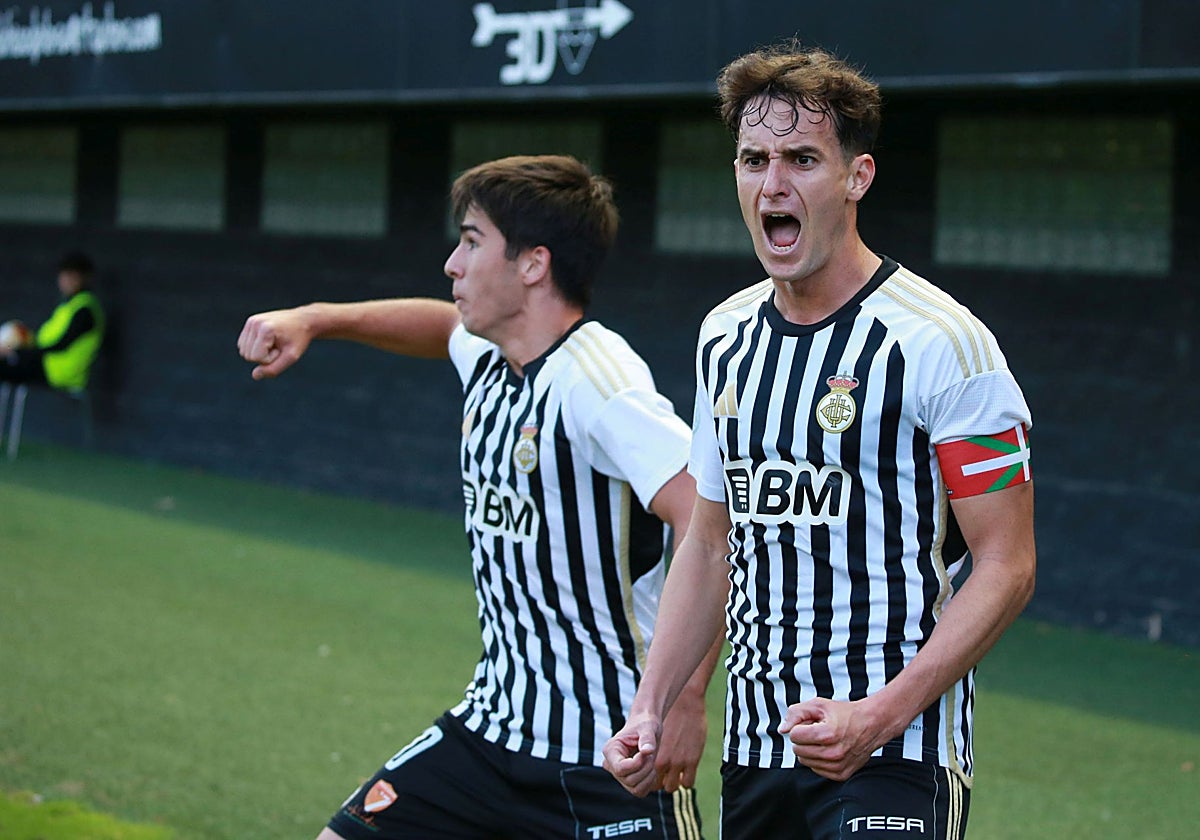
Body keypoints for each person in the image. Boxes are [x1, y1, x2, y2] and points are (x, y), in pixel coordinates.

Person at [602, 44, 1037, 839]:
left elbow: (1008, 564)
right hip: (756, 754)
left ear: (856, 177)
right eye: (753, 160)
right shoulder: (722, 336)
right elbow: (708, 540)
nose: (774, 185)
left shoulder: (946, 345)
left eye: (802, 159)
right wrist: (652, 705)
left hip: (896, 753)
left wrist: (879, 715)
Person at [238, 155, 721, 840]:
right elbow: (441, 327)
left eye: (470, 240)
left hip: (608, 759)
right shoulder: (491, 355)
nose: (451, 264)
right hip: (489, 735)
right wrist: (316, 319)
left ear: (532, 264)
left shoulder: (599, 382)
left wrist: (686, 700)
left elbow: (714, 523)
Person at [1, 251, 105, 392]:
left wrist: (21, 352)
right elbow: (46, 339)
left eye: (73, 276)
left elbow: (62, 344)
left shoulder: (85, 310)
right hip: (46, 365)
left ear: (84, 278)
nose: (67, 281)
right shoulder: (68, 306)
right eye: (65, 276)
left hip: (58, 373)